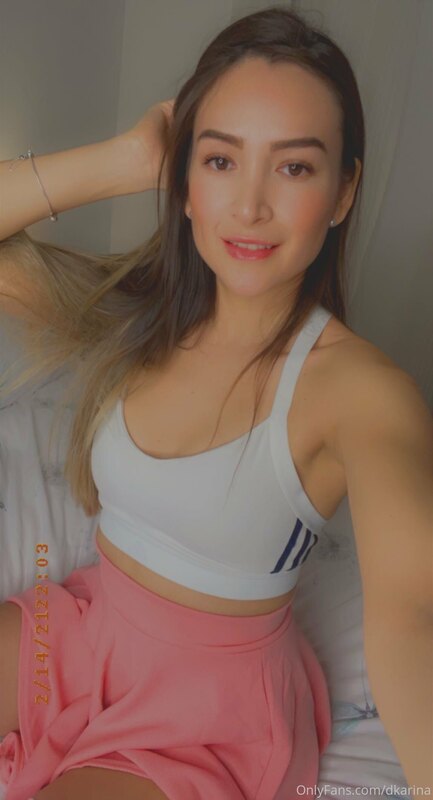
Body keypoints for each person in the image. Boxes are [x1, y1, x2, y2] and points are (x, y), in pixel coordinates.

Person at [0, 6, 432, 800]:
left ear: (342, 191)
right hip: (85, 634)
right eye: (221, 160)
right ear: (185, 179)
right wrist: (126, 160)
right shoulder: (136, 318)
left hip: (208, 715)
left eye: (293, 168)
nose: (249, 205)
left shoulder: (361, 391)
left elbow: (411, 618)